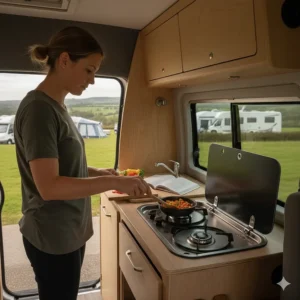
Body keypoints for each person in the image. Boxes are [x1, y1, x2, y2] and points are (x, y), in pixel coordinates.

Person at [14, 26, 151, 300]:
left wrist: (98, 172)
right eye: (89, 70)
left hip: (68, 233)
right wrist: (113, 182)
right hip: (53, 238)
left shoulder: (58, 107)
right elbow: (49, 187)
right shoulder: (39, 110)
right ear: (65, 60)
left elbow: (61, 167)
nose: (92, 80)